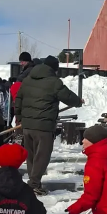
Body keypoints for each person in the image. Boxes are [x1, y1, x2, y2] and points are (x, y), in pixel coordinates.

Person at [13, 55, 83, 196]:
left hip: (27, 126)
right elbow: (68, 96)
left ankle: (34, 182)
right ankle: (33, 184)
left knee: (31, 156)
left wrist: (20, 118)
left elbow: (18, 99)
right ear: (54, 69)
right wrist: (78, 101)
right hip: (43, 126)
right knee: (42, 156)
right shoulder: (54, 82)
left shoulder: (28, 80)